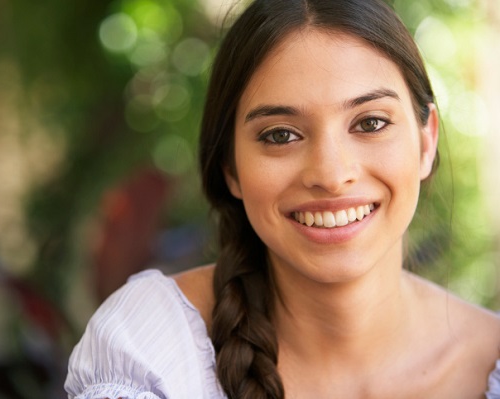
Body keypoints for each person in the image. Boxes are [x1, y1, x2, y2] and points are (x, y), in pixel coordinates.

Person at [65, 0, 500, 397]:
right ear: (230, 167)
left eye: (369, 123)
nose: (331, 176)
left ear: (427, 143)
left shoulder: (491, 366)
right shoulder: (153, 353)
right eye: (280, 135)